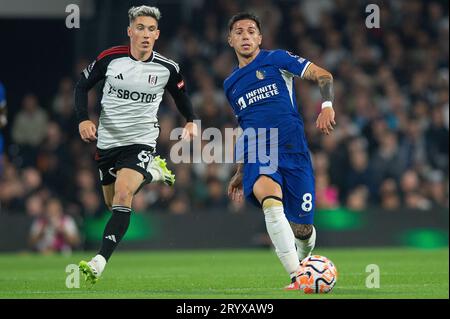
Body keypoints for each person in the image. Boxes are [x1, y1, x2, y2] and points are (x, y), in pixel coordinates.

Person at [74, 5, 198, 284]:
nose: (145, 34)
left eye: (151, 29)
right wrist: (83, 119)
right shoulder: (110, 59)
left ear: (157, 34)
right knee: (112, 203)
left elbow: (182, 96)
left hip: (140, 141)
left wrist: (191, 119)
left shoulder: (167, 68)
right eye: (140, 28)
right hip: (107, 142)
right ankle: (154, 172)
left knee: (123, 195)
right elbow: (81, 86)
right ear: (130, 31)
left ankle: (99, 261)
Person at [224, 13, 336, 290]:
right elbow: (245, 125)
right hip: (260, 150)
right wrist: (241, 169)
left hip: (293, 150)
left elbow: (324, 75)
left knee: (303, 230)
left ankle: (303, 262)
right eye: (239, 32)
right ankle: (298, 277)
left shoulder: (277, 59)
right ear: (230, 40)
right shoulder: (230, 85)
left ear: (260, 38)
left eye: (251, 31)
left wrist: (327, 106)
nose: (245, 36)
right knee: (271, 203)